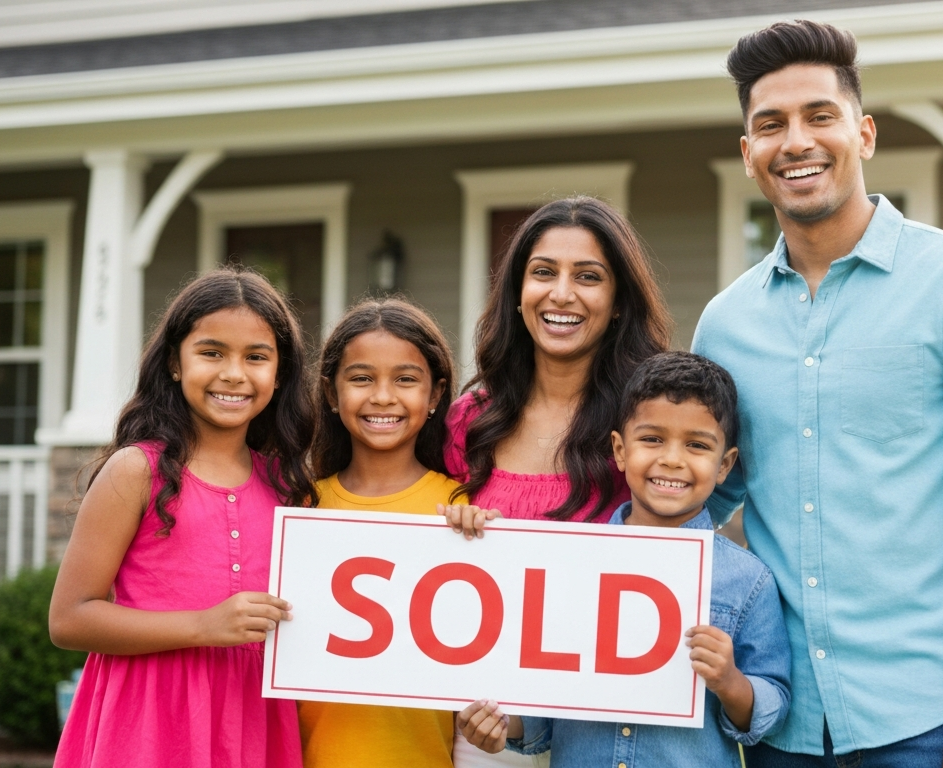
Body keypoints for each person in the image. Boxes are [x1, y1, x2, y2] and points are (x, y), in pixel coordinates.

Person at [692, 20, 943, 768]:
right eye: (770, 125)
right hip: (780, 724)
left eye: (818, 116)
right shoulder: (725, 324)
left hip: (930, 723)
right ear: (747, 156)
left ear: (862, 134)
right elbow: (691, 498)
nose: (795, 141)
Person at [456, 351, 792, 766]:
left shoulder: (748, 579)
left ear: (724, 465)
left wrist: (730, 682)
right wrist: (501, 726)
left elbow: (773, 704)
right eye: (652, 439)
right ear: (619, 450)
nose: (671, 459)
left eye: (697, 445)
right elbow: (545, 706)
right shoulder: (573, 565)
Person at [49, 267, 313, 768]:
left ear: (279, 375)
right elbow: (69, 619)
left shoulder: (289, 485)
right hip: (149, 723)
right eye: (212, 352)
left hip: (253, 718)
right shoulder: (136, 471)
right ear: (174, 361)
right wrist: (202, 625)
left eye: (256, 357)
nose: (234, 373)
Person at [444, 196, 672, 766]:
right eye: (543, 272)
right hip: (481, 731)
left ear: (618, 301)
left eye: (588, 277)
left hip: (602, 733)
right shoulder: (471, 421)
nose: (561, 294)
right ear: (518, 294)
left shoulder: (645, 428)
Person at [299, 298, 463, 768]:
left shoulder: (459, 508)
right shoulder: (300, 506)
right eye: (362, 378)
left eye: (406, 379)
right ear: (331, 394)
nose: (383, 396)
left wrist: (480, 537)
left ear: (435, 395)